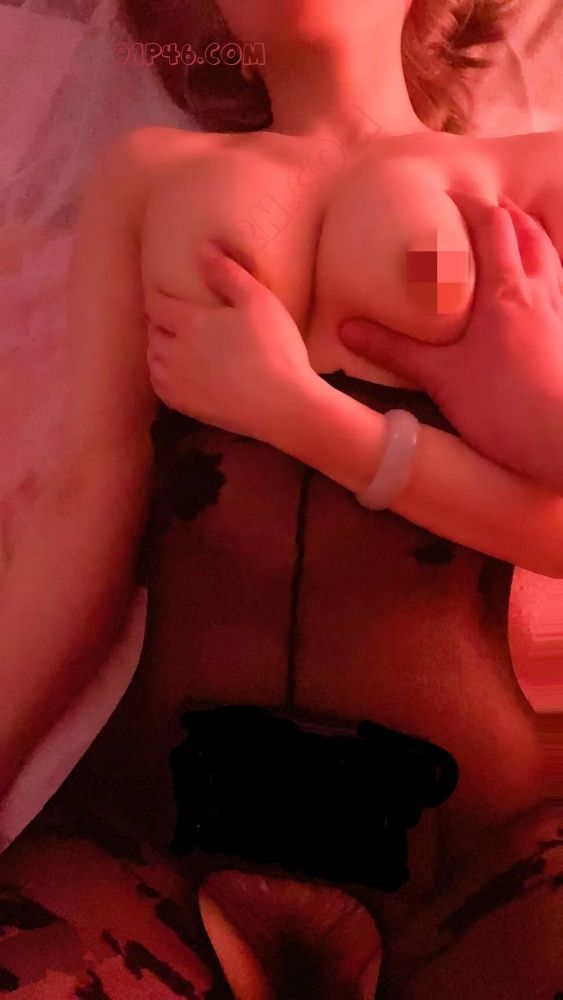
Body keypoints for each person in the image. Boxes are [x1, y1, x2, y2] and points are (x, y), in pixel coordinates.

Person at [1, 1, 563, 996]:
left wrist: (301, 415)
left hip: (477, 841)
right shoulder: (151, 175)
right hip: (156, 821)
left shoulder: (537, 175)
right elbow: (76, 512)